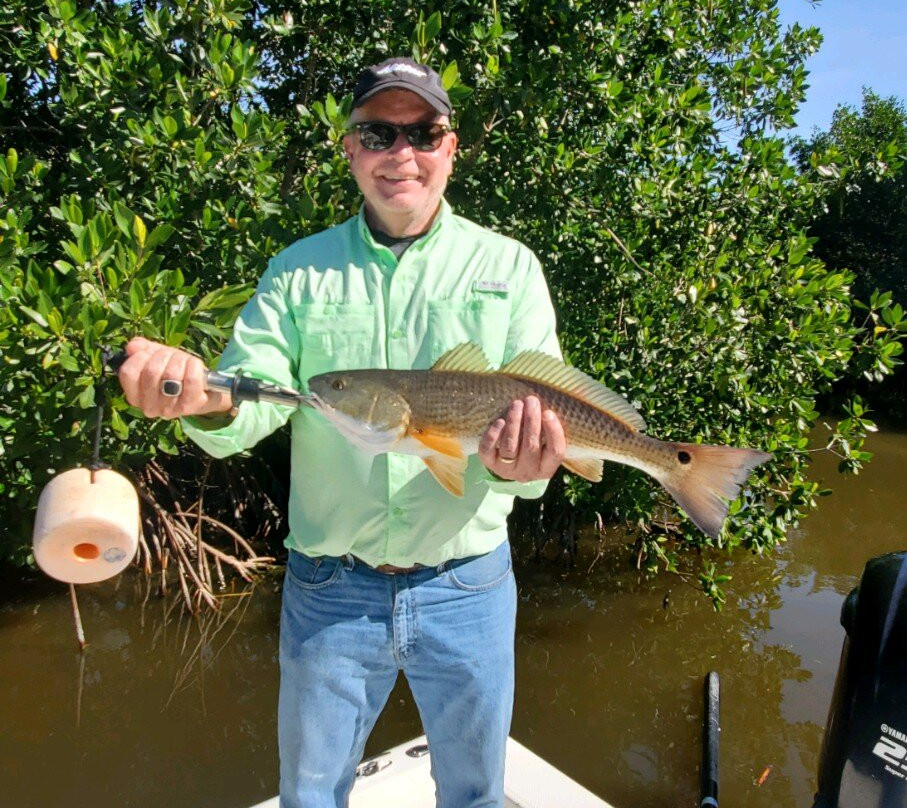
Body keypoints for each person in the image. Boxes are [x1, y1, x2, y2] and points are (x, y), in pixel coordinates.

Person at [117, 57, 566, 808]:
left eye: (421, 133)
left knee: (475, 793)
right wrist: (199, 399)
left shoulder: (509, 268)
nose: (401, 154)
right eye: (377, 133)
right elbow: (250, 396)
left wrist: (529, 464)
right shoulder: (296, 274)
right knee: (310, 795)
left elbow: (542, 433)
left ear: (450, 147)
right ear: (350, 149)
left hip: (468, 583)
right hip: (330, 590)